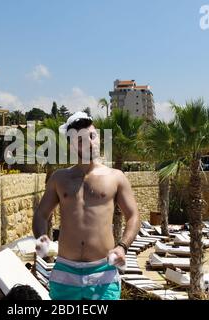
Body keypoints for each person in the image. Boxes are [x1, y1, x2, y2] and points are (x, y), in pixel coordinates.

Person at [32, 112, 141, 300]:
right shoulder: (60, 178)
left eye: (92, 136)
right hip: (65, 271)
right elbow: (41, 214)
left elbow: (133, 216)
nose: (90, 143)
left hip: (103, 272)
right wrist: (42, 237)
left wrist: (122, 246)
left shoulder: (116, 177)